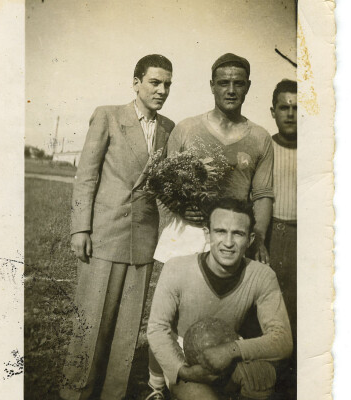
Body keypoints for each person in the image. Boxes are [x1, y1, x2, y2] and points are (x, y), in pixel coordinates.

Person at [147, 53, 274, 399]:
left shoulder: (260, 138)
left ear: (248, 87)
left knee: (223, 316)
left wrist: (257, 236)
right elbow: (162, 183)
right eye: (223, 82)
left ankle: (212, 380)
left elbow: (262, 194)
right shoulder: (187, 128)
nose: (231, 89)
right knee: (168, 319)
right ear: (212, 86)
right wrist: (176, 214)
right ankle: (157, 387)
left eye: (238, 83)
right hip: (188, 235)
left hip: (231, 239)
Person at [59, 54, 175, 400]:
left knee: (126, 330)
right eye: (155, 82)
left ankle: (112, 394)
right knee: (91, 321)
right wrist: (80, 228)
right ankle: (75, 391)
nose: (162, 90)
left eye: (167, 84)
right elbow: (87, 175)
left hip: (142, 242)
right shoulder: (109, 116)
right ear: (136, 82)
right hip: (105, 236)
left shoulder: (169, 128)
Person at [147, 197, 292, 400]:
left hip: (228, 355)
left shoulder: (262, 275)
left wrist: (230, 351)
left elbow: (283, 340)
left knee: (262, 377)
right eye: (221, 231)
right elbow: (156, 328)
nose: (228, 243)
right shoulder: (177, 268)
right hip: (187, 361)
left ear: (250, 240)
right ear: (207, 234)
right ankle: (157, 390)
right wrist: (183, 371)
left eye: (238, 234)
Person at [267, 79, 297, 398]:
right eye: (284, 107)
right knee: (273, 309)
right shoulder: (265, 145)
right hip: (273, 234)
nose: (290, 114)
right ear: (273, 111)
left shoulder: (318, 146)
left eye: (297, 108)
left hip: (306, 237)